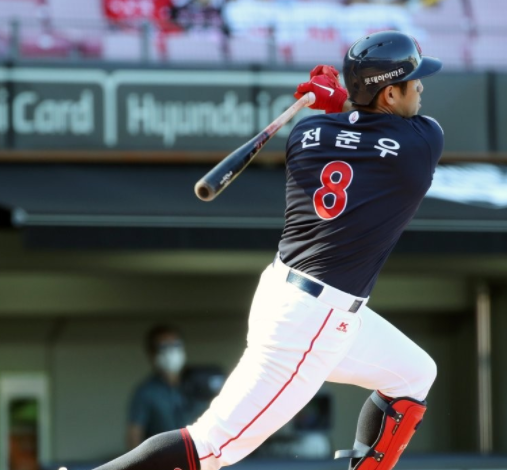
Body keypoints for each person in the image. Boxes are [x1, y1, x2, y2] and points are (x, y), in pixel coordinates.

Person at [93, 30, 443, 470]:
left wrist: (334, 104)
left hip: (294, 295)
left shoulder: (306, 133)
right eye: (413, 82)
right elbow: (377, 139)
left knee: (414, 373)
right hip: (312, 322)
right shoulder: (423, 144)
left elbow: (352, 134)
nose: (422, 88)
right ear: (390, 93)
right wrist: (338, 100)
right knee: (211, 447)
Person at [127, 325, 190, 449]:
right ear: (152, 354)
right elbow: (134, 434)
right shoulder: (146, 392)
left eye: (176, 345)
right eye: (164, 347)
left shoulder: (199, 384)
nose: (171, 351)